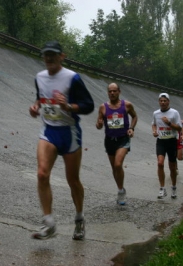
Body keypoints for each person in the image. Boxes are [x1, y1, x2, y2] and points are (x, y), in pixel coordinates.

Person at [29, 41, 94, 240]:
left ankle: (80, 219)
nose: (49, 58)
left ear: (61, 56)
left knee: (72, 180)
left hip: (70, 133)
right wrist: (35, 107)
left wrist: (69, 106)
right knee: (42, 174)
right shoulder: (39, 77)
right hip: (49, 131)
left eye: (53, 55)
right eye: (46, 54)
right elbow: (41, 98)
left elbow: (88, 105)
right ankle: (48, 223)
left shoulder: (72, 78)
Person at [95, 83, 138, 205]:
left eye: (114, 91)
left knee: (118, 164)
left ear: (119, 91)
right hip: (109, 140)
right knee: (114, 167)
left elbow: (134, 117)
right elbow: (98, 125)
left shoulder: (127, 105)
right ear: (107, 92)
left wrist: (131, 128)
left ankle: (120, 192)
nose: (112, 93)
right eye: (110, 91)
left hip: (123, 139)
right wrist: (99, 124)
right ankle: (121, 189)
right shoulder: (103, 107)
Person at [152, 93, 182, 199]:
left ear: (168, 101)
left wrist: (169, 123)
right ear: (159, 102)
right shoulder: (156, 113)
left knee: (172, 167)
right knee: (160, 163)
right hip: (161, 141)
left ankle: (173, 187)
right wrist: (154, 131)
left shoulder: (174, 113)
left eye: (165, 101)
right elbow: (154, 124)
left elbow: (179, 128)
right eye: (161, 100)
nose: (163, 102)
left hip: (171, 141)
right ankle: (162, 189)